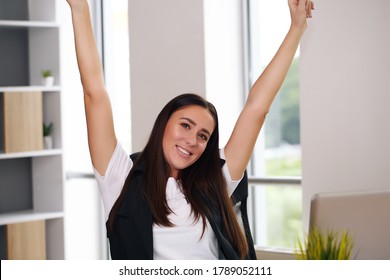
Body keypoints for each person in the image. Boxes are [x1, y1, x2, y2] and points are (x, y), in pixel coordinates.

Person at [66, 0, 314, 260]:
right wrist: (80, 8)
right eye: (185, 125)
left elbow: (257, 109)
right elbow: (93, 91)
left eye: (203, 136)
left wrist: (296, 28)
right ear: (164, 124)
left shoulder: (215, 181)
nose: (192, 140)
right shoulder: (121, 180)